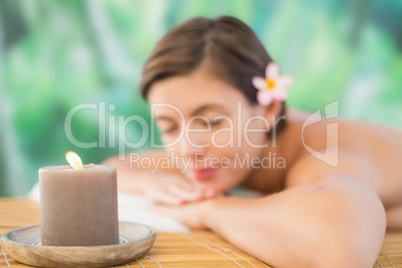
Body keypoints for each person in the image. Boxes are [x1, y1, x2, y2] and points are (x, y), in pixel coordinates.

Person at [105, 16, 402, 267]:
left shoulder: (323, 149)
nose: (186, 150)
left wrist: (208, 210)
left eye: (211, 123)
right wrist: (152, 184)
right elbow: (114, 168)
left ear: (268, 110)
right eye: (169, 127)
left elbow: (338, 245)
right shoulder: (221, 150)